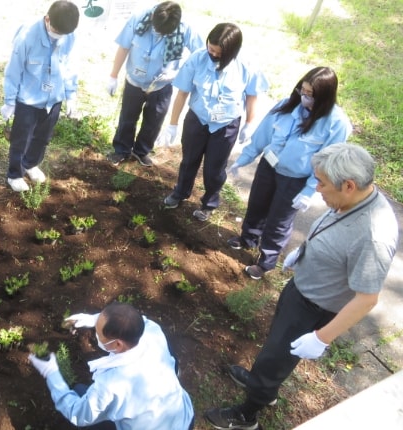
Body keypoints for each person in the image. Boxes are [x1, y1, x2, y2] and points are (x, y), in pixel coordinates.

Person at [204, 143, 398, 430]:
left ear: (348, 185)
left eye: (321, 183)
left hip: (314, 309)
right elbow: (333, 233)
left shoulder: (373, 236)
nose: (317, 188)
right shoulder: (351, 200)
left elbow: (367, 298)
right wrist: (306, 251)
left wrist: (321, 338)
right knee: (275, 349)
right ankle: (263, 388)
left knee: (275, 359)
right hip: (302, 290)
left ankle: (247, 415)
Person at [226, 67, 352, 280]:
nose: (304, 97)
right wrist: (244, 159)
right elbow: (263, 134)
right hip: (269, 166)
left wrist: (309, 190)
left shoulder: (336, 123)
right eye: (302, 90)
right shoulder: (287, 105)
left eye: (310, 94)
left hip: (295, 179)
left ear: (324, 97)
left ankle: (266, 261)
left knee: (278, 221)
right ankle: (248, 239)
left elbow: (328, 161)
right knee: (257, 205)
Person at [158, 23, 269, 222]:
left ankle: (209, 203)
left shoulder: (247, 66)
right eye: (211, 49)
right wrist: (172, 123)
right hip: (198, 119)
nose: (213, 55)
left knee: (214, 168)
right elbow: (183, 92)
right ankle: (180, 192)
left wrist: (250, 124)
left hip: (225, 126)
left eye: (219, 53)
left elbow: (251, 96)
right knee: (189, 160)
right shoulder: (197, 59)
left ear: (231, 51)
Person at [29, 302, 195, 429]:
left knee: (79, 391)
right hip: (183, 420)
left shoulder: (111, 384)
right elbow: (140, 320)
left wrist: (51, 374)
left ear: (117, 345)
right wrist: (92, 319)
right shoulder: (153, 332)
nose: (96, 334)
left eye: (98, 333)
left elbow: (78, 414)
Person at [105, 1, 204, 167]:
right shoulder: (138, 18)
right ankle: (121, 150)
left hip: (161, 85)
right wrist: (113, 76)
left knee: (154, 120)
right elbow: (124, 47)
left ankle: (141, 151)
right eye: (157, 29)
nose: (158, 33)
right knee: (127, 117)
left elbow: (200, 54)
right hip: (134, 81)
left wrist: (181, 73)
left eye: (164, 32)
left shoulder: (184, 28)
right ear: (152, 16)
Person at [1, 0, 80, 192]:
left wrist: (71, 94)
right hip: (28, 99)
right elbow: (14, 70)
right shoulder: (27, 36)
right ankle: (15, 174)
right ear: (47, 19)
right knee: (21, 139)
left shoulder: (68, 35)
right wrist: (9, 101)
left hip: (53, 99)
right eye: (56, 31)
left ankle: (30, 164)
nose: (59, 36)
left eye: (63, 34)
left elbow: (69, 65)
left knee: (42, 137)